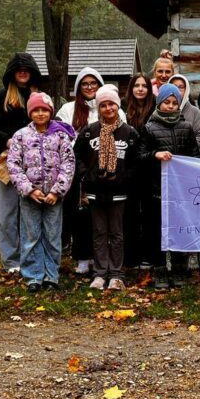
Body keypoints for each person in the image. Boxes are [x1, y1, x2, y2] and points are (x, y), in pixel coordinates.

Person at [0, 53, 44, 274]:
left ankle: (30, 256)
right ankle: (11, 260)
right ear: (12, 73)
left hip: (34, 164)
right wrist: (8, 140)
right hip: (4, 163)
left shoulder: (40, 99)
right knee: (7, 214)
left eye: (26, 69)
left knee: (31, 212)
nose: (23, 73)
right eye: (18, 70)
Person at [56, 67, 124, 277]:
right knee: (81, 214)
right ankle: (82, 256)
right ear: (78, 88)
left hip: (107, 172)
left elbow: (122, 135)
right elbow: (59, 135)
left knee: (105, 220)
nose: (89, 87)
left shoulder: (111, 106)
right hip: (80, 169)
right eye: (84, 84)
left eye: (93, 83)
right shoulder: (68, 109)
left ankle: (102, 259)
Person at [5, 92, 75, 291]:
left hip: (54, 197)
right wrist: (29, 190)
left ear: (50, 112)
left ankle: (51, 275)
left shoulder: (60, 135)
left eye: (44, 109)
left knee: (52, 235)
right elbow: (13, 165)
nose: (40, 113)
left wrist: (57, 191)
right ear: (30, 112)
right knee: (31, 235)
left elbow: (68, 163)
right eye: (36, 110)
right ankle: (33, 276)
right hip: (30, 197)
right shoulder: (21, 136)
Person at [74, 85, 140, 291]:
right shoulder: (89, 132)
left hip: (119, 191)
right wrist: (87, 175)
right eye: (103, 105)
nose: (108, 108)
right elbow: (77, 156)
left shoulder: (129, 133)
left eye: (111, 104)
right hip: (96, 190)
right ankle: (100, 273)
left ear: (117, 105)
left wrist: (125, 178)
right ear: (99, 108)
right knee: (99, 232)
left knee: (117, 233)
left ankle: (116, 274)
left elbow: (136, 161)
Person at [139, 84, 200, 288]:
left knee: (179, 229)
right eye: (167, 102)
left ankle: (179, 267)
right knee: (157, 230)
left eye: (175, 103)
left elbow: (194, 156)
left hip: (180, 191)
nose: (171, 106)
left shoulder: (187, 127)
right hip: (157, 190)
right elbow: (140, 156)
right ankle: (159, 269)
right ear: (159, 103)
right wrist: (155, 155)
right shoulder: (149, 128)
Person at [168, 73, 200, 152]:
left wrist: (185, 147)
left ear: (186, 90)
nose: (176, 90)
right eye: (174, 86)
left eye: (181, 87)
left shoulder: (194, 112)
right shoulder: (159, 110)